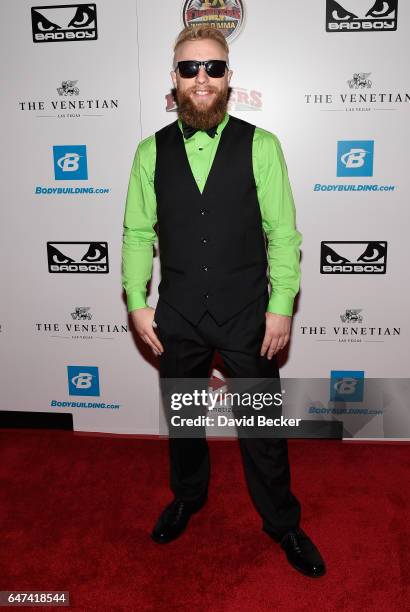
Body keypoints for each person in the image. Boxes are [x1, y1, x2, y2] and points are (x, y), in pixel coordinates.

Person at [121, 25, 326, 578]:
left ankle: (283, 523)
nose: (202, 79)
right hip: (178, 316)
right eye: (190, 69)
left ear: (229, 77)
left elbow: (283, 234)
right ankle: (188, 497)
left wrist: (281, 305)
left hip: (246, 316)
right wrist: (137, 302)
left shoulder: (262, 146)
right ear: (175, 79)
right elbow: (138, 234)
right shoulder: (149, 152)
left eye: (213, 68)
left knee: (262, 431)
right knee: (184, 422)